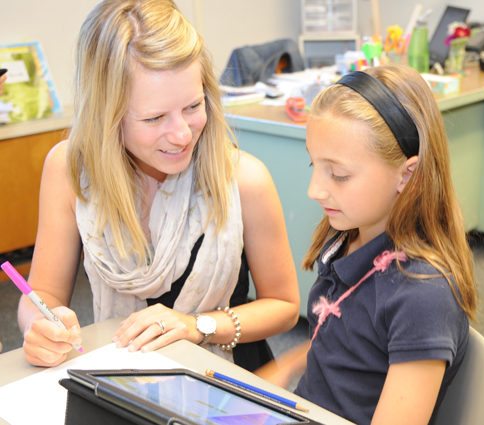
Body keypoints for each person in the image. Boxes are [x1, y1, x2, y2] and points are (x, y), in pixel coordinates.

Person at [17, 0, 299, 369]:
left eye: (193, 107)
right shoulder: (69, 169)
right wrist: (39, 324)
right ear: (107, 115)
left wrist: (197, 325)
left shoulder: (243, 178)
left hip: (228, 377)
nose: (182, 134)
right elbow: (44, 293)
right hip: (124, 372)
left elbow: (285, 307)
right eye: (154, 118)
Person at [256, 65, 478, 425]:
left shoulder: (423, 295)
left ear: (407, 174)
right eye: (314, 164)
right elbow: (347, 340)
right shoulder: (350, 238)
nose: (315, 190)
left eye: (339, 174)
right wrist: (288, 365)